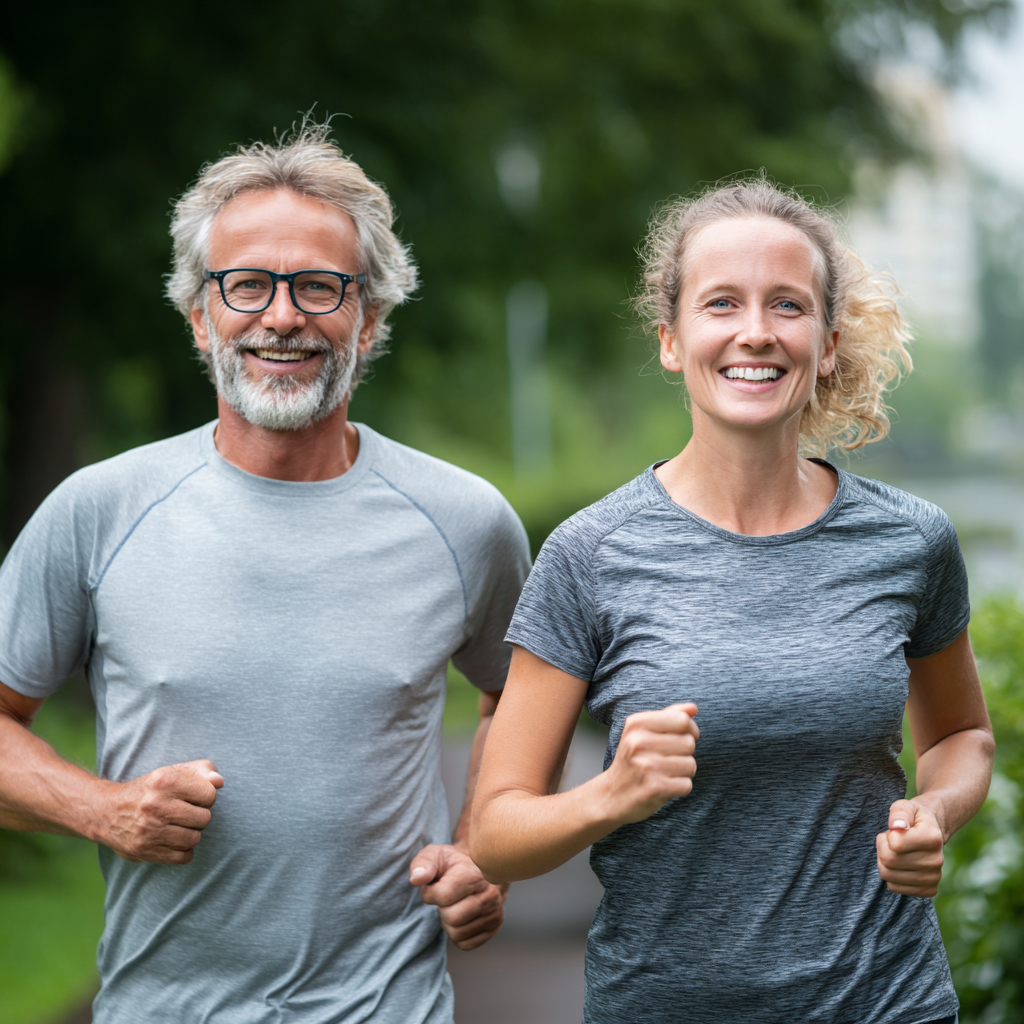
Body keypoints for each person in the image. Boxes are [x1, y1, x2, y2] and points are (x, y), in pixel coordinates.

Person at [0, 126, 531, 1023]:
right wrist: (102, 808)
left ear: (368, 317)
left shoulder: (465, 523)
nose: (281, 317)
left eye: (318, 286)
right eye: (246, 285)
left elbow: (520, 695)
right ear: (200, 315)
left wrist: (482, 845)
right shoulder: (99, 511)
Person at [471, 178, 994, 1024]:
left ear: (827, 343)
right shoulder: (591, 553)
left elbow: (963, 735)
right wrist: (612, 793)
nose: (756, 332)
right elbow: (497, 833)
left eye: (787, 305)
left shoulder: (911, 541)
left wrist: (933, 812)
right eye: (722, 303)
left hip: (887, 1001)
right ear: (673, 339)